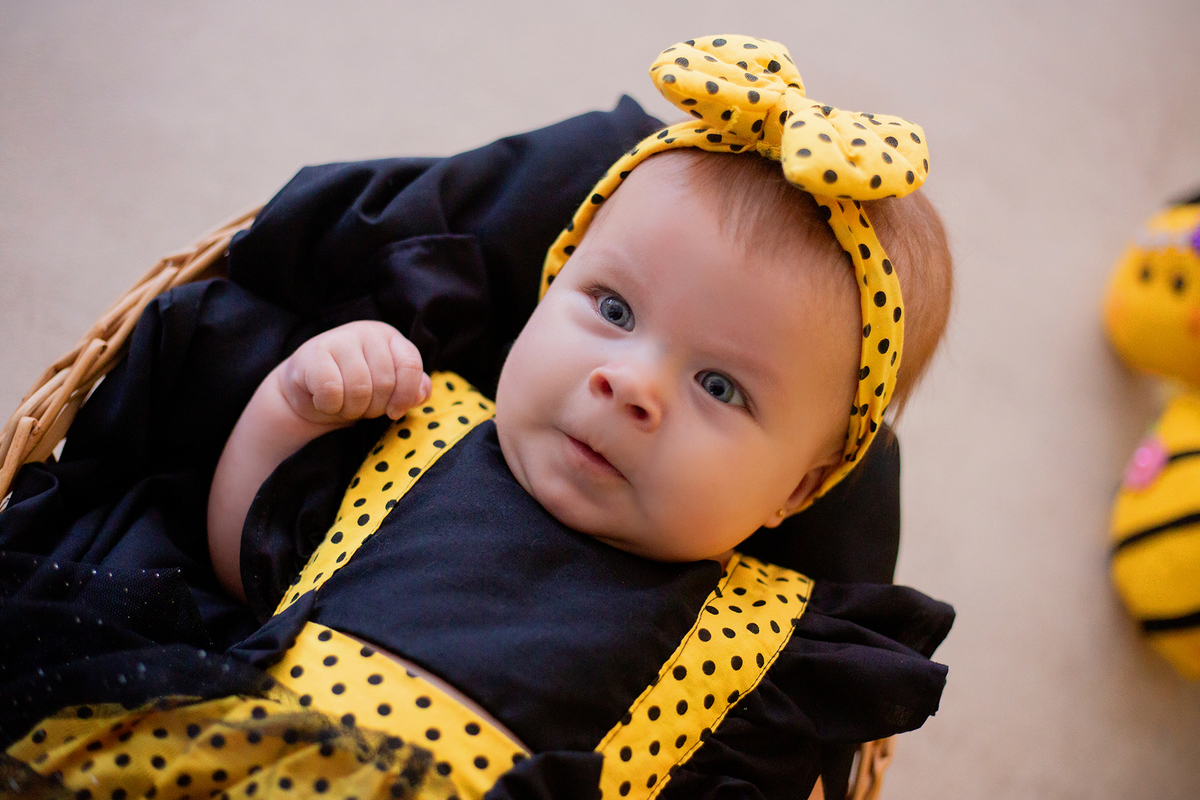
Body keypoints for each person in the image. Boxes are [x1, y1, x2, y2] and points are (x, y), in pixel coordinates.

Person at [3, 36, 953, 800]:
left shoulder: (762, 642)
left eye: (722, 387)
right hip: (245, 751)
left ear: (800, 488)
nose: (632, 384)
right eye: (613, 312)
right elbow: (239, 562)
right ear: (547, 292)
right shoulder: (426, 428)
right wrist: (293, 404)